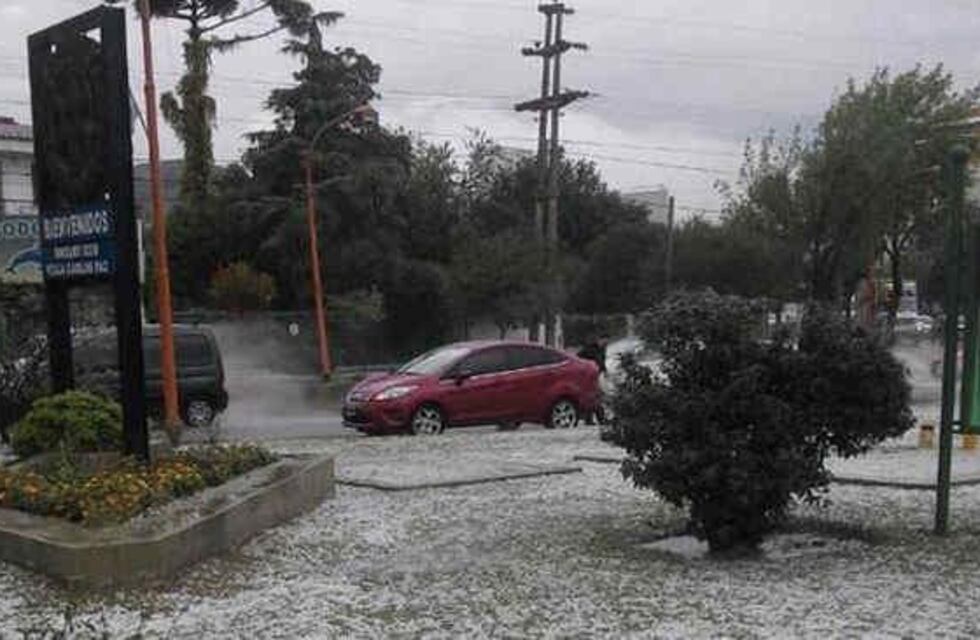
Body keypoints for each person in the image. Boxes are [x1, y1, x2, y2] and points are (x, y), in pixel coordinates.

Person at [577, 335, 608, 424]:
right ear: (599, 340)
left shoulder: (602, 349)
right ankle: (597, 418)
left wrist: (604, 371)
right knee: (594, 396)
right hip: (589, 375)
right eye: (604, 342)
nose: (605, 344)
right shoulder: (589, 349)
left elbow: (601, 361)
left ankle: (592, 418)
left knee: (595, 396)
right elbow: (578, 358)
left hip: (598, 374)